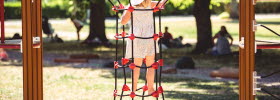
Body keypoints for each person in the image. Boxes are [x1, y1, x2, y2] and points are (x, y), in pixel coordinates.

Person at [121, 0, 166, 95]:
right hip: (149, 36)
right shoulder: (151, 4)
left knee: (136, 65)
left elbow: (123, 22)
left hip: (137, 37)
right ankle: (150, 89)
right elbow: (161, 3)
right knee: (150, 65)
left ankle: (133, 89)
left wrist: (125, 11)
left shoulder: (131, 5)